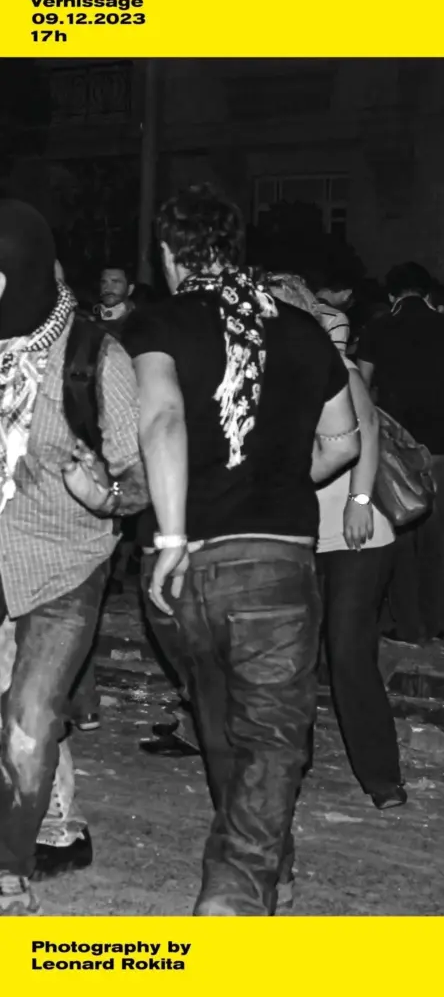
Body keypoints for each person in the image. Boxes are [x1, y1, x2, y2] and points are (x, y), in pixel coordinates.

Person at [124, 183, 359, 916]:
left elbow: (161, 419)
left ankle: (268, 868)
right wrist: (277, 477)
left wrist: (170, 535)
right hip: (273, 563)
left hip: (182, 566)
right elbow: (343, 444)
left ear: (170, 254)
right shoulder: (303, 330)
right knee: (271, 737)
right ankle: (237, 889)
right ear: (235, 248)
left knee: (222, 724)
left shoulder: (154, 323)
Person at [0, 200, 148, 914]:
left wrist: (106, 495)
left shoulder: (95, 359)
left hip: (65, 563)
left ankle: (10, 868)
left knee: (29, 723)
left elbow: (139, 478)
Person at [269, 275, 405, 809]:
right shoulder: (267, 374)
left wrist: (360, 500)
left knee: (348, 655)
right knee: (294, 657)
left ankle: (381, 776)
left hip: (355, 533)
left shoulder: (336, 367)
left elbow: (367, 432)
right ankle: (290, 768)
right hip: (297, 531)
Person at [356, 262, 444, 644]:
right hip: (440, 447)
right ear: (427, 293)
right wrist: (436, 392)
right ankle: (433, 620)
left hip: (394, 449)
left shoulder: (376, 330)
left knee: (401, 537)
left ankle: (407, 624)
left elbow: (361, 388)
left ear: (392, 295)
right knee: (436, 540)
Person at [93, 265, 135, 330]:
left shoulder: (140, 324)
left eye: (115, 282)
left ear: (130, 289)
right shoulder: (88, 316)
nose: (107, 288)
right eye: (104, 282)